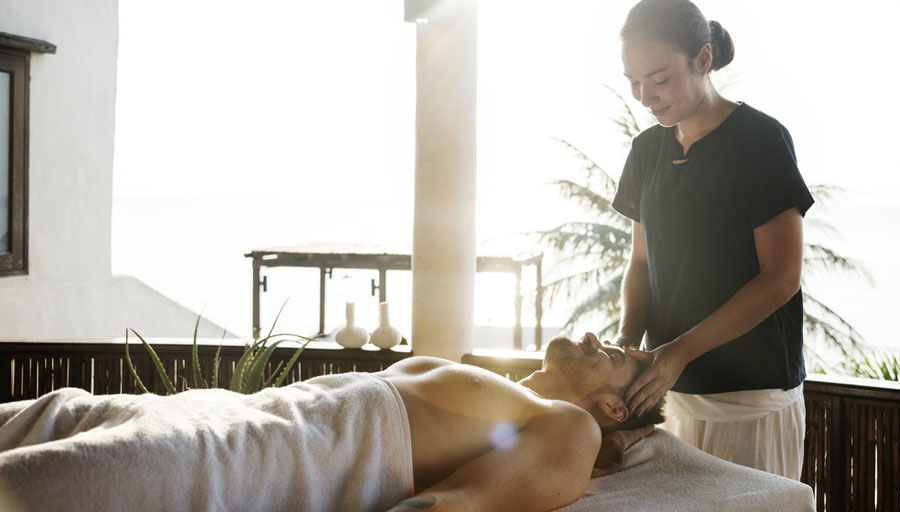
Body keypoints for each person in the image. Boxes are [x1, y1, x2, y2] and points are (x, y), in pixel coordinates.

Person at [0, 333, 664, 512]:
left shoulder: (570, 429)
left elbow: (454, 506)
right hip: (217, 415)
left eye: (619, 358)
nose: (594, 337)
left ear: (613, 408)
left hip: (240, 456)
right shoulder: (504, 394)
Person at [611, 0, 814, 480]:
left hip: (749, 399)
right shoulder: (646, 151)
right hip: (669, 396)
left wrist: (678, 352)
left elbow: (781, 278)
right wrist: (625, 343)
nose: (645, 96)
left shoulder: (760, 140)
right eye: (634, 82)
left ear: (703, 60)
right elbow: (642, 263)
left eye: (659, 79)